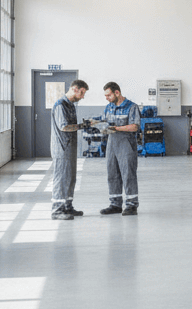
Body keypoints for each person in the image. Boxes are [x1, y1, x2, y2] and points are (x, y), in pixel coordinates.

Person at [99, 82, 142, 215]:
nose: (107, 98)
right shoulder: (109, 107)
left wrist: (116, 128)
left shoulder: (132, 107)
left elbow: (135, 126)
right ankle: (115, 204)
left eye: (108, 95)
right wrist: (96, 124)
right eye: (105, 96)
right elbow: (103, 122)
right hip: (111, 143)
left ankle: (131, 205)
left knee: (128, 174)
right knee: (112, 173)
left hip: (126, 143)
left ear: (117, 93)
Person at [50, 80, 90, 221]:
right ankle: (57, 210)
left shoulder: (70, 105)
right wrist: (81, 126)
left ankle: (67, 206)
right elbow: (64, 126)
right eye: (82, 93)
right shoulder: (60, 105)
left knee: (70, 178)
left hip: (70, 148)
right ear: (74, 89)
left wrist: (84, 124)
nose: (83, 97)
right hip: (61, 149)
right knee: (61, 179)